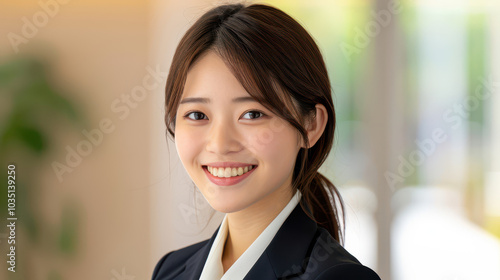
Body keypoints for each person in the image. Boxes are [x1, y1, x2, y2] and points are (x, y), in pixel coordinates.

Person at [152, 2, 381, 280]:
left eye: (252, 114)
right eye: (197, 114)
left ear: (311, 125)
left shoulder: (338, 277)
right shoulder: (171, 270)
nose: (220, 143)